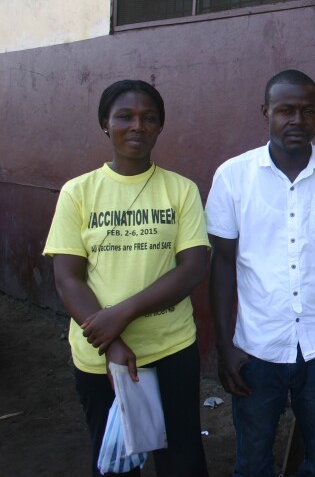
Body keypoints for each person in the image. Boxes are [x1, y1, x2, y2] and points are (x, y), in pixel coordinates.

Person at [206, 70, 315, 477]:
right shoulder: (233, 176)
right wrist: (224, 345)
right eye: (285, 110)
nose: (297, 120)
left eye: (307, 111)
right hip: (257, 347)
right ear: (266, 112)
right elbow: (223, 263)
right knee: (252, 461)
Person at [44, 79, 210, 476]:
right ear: (105, 122)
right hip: (100, 355)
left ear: (159, 127)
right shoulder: (78, 192)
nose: (137, 126)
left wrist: (123, 313)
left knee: (182, 461)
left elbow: (192, 268)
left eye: (148, 118)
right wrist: (111, 341)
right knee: (116, 464)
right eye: (125, 116)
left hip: (170, 349)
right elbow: (68, 278)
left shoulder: (181, 190)